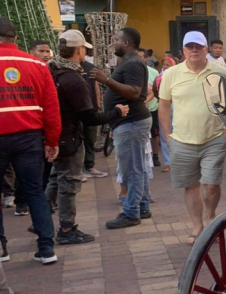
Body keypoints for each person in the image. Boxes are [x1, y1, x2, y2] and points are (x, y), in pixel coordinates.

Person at [46, 30, 128, 244]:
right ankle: (66, 228)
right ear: (79, 50)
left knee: (56, 178)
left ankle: (41, 220)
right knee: (68, 184)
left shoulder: (51, 70)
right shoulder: (72, 78)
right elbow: (89, 117)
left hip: (55, 134)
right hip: (69, 137)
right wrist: (116, 112)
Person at [159, 31, 226, 245]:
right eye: (190, 47)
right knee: (191, 185)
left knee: (211, 184)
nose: (194, 50)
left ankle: (210, 218)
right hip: (182, 140)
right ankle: (197, 225)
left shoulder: (220, 72)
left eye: (198, 46)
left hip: (214, 138)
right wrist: (167, 135)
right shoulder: (171, 74)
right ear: (183, 50)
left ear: (205, 49)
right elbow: (164, 105)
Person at [0, 18, 61, 265]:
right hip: (30, 136)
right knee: (35, 191)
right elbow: (51, 107)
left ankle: (1, 249)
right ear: (15, 38)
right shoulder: (36, 65)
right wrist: (52, 140)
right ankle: (46, 249)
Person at [89, 28, 152, 229]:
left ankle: (131, 212)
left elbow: (134, 92)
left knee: (131, 170)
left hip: (131, 123)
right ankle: (142, 206)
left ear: (126, 43)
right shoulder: (129, 62)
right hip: (130, 123)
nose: (113, 43)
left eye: (116, 39)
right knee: (138, 167)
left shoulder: (133, 63)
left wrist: (106, 80)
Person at [81, 58, 108, 180]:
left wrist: (97, 106)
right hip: (74, 111)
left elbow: (96, 88)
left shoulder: (90, 67)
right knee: (76, 142)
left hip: (90, 109)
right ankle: (78, 169)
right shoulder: (65, 67)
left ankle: (89, 166)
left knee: (90, 139)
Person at [138, 49, 161, 167]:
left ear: (146, 58)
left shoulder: (153, 72)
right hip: (137, 110)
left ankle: (155, 155)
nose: (138, 59)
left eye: (141, 57)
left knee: (154, 133)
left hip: (152, 108)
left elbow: (156, 90)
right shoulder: (132, 71)